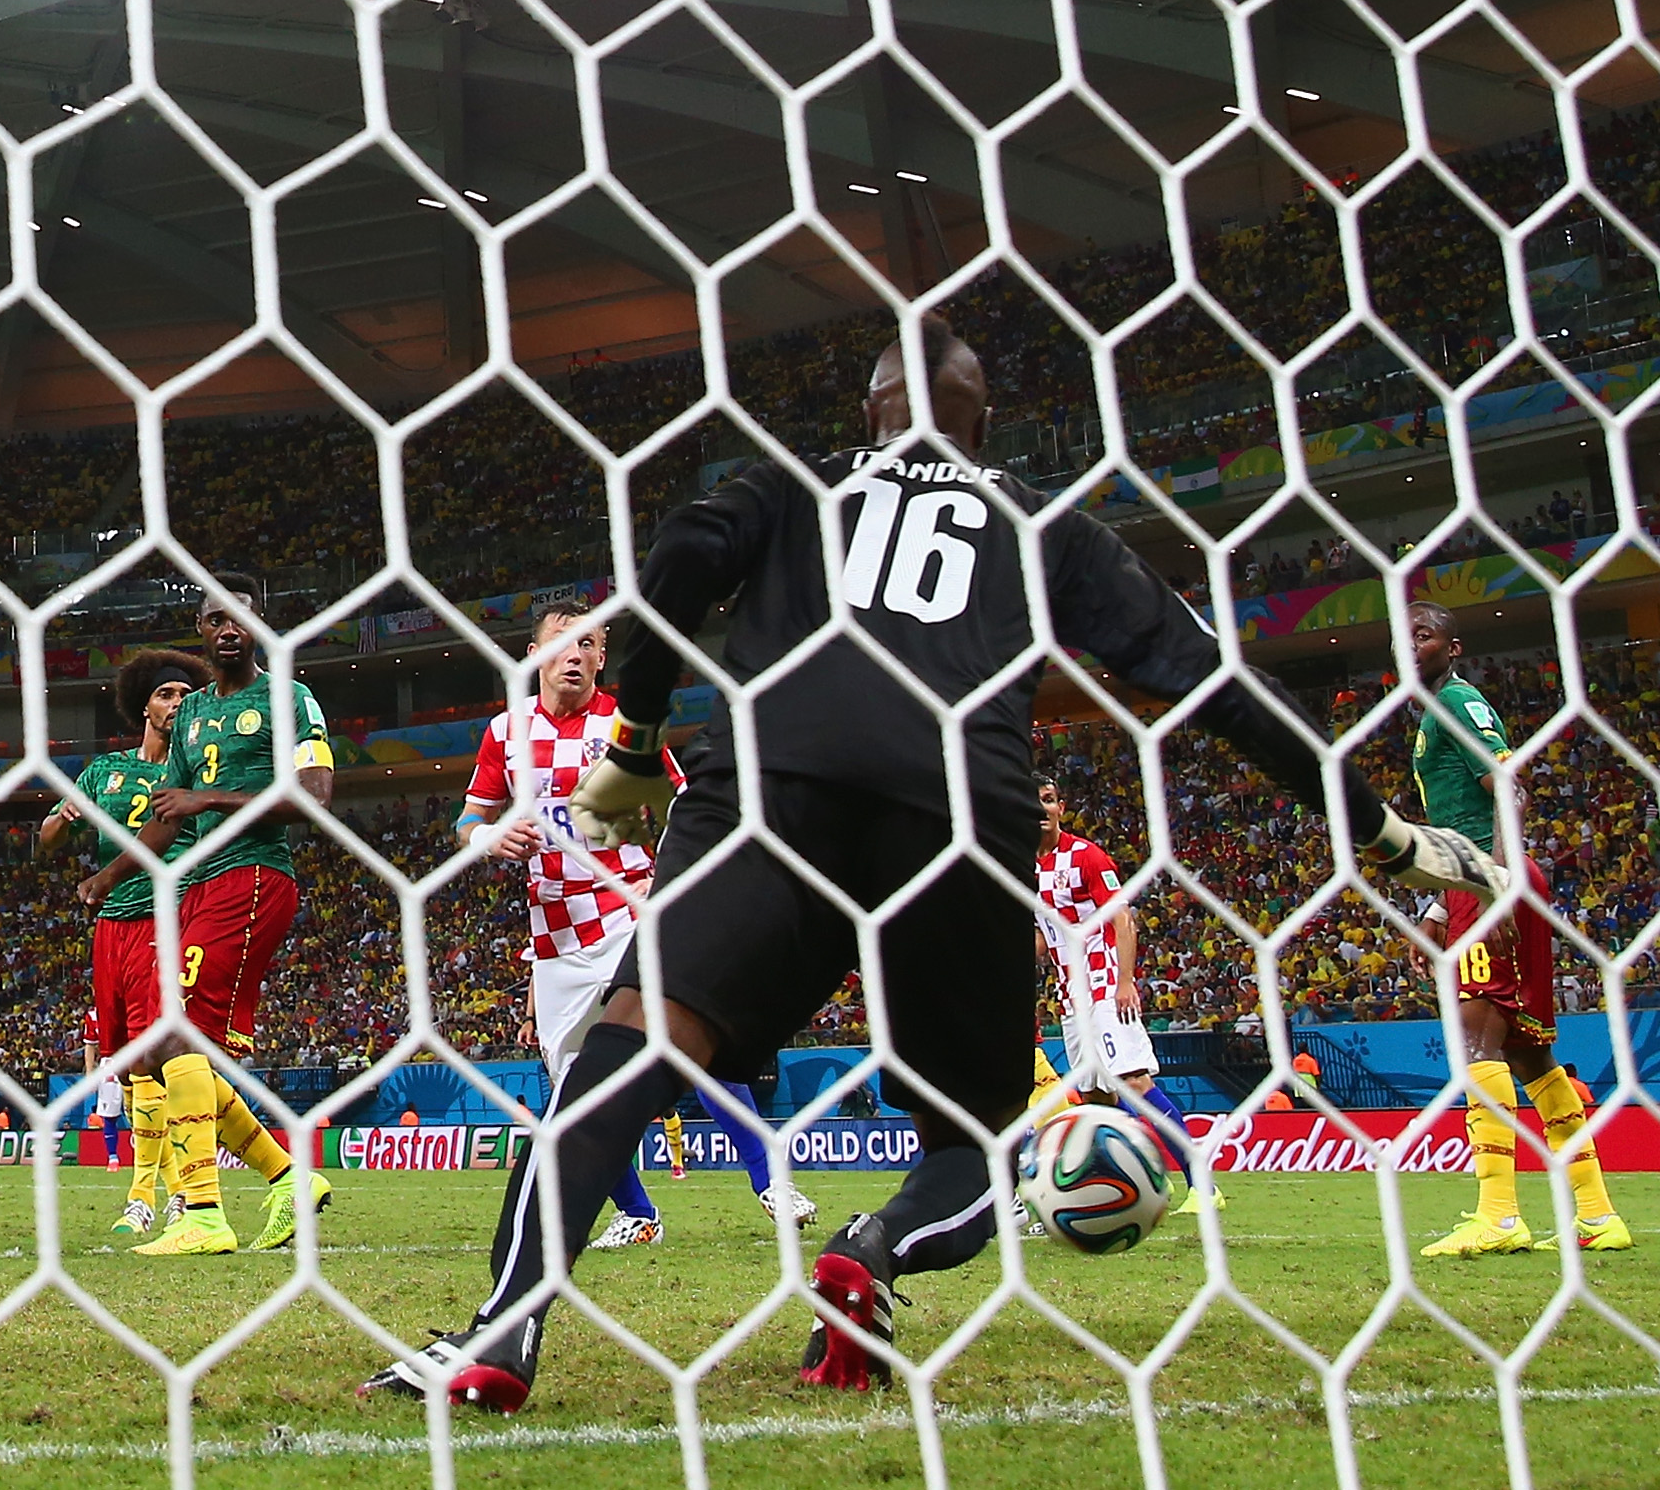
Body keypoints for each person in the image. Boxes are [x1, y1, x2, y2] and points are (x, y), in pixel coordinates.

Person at [363, 318, 1499, 1410]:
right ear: (985, 419)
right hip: (956, 808)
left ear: (871, 408)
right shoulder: (1045, 524)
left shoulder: (793, 482)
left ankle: (506, 1326)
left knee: (635, 1044)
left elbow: (677, 558)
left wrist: (634, 736)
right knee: (977, 1145)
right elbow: (1216, 683)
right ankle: (874, 1250)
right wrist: (1379, 831)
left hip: (775, 781)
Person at [460, 601, 811, 1244]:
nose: (575, 653)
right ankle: (639, 1216)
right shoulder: (504, 731)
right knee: (578, 1092)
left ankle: (771, 1181)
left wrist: (665, 879)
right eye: (561, 641)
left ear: (602, 656)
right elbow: (469, 821)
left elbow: (682, 809)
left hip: (628, 912)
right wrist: (489, 837)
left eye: (589, 643)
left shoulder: (626, 724)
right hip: (556, 938)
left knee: (683, 1045)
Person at [1404, 602, 1629, 1255]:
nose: (1411, 643)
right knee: (1529, 1052)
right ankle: (1597, 1212)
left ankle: (1498, 1214)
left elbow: (1508, 788)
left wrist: (1495, 890)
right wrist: (1440, 910)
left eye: (1424, 633)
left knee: (1477, 1043)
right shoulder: (1433, 712)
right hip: (1477, 877)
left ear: (1453, 647)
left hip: (1493, 877)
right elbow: (1463, 820)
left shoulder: (1459, 700)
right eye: (1404, 634)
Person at [127, 593, 337, 1257]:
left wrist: (209, 798)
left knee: (173, 1037)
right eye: (216, 617)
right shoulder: (190, 712)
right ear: (201, 629)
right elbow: (169, 811)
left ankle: (206, 1214)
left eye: (240, 617)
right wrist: (111, 878)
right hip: (197, 885)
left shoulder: (291, 695)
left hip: (253, 874)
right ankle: (287, 1179)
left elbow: (315, 796)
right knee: (170, 1051)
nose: (229, 628)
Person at [46, 647, 212, 1235]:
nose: (177, 705)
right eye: (168, 694)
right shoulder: (103, 772)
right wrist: (61, 820)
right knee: (128, 1064)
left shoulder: (194, 774)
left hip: (165, 920)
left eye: (187, 698)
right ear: (144, 703)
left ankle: (154, 1195)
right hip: (110, 925)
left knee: (154, 1060)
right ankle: (165, 1191)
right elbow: (48, 838)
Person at [1032, 776, 1209, 1215]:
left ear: (1061, 808)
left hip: (1105, 987)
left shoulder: (1086, 856)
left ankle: (1202, 1184)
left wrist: (1125, 981)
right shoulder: (1025, 868)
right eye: (1035, 801)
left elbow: (1122, 919)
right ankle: (1132, 1186)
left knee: (1133, 1083)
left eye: (1051, 801)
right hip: (1072, 997)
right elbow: (1045, 937)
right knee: (1095, 1099)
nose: (1044, 809)